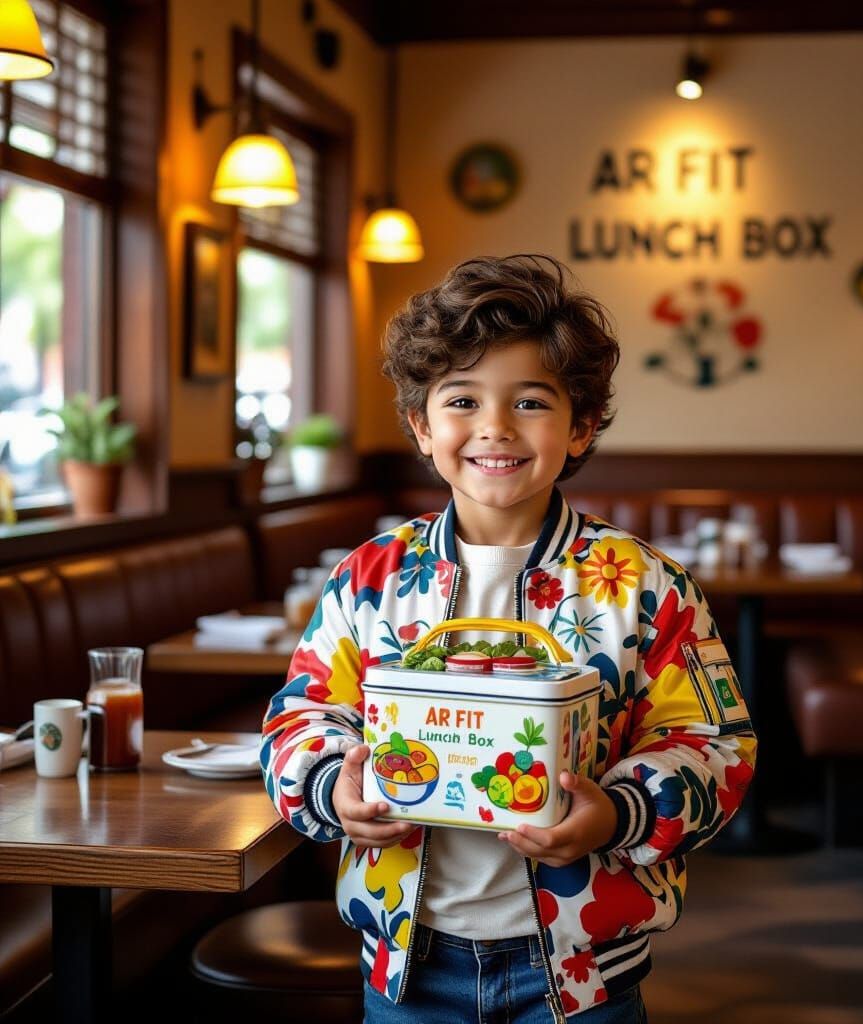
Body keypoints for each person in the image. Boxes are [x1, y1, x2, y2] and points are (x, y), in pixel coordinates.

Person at [260, 254, 757, 1023]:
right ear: (423, 426)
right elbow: (300, 719)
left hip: (583, 969)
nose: (494, 427)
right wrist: (335, 785)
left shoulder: (646, 585)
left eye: (530, 401)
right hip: (408, 960)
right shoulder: (369, 579)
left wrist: (619, 812)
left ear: (581, 425)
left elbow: (717, 746)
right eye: (462, 400)